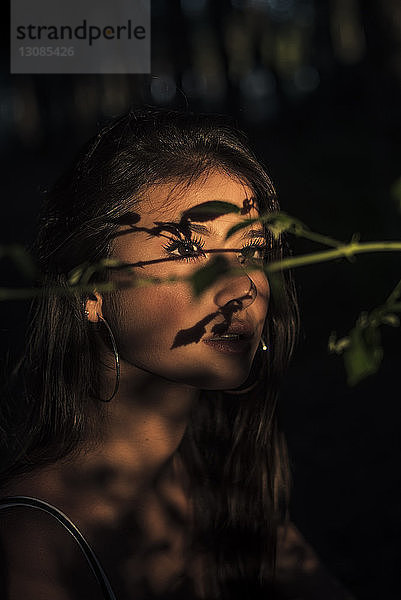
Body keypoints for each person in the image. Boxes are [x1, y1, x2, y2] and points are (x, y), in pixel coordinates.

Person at [0, 108, 350, 600]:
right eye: (186, 250)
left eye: (251, 250)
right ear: (90, 290)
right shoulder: (35, 546)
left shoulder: (223, 487)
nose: (240, 287)